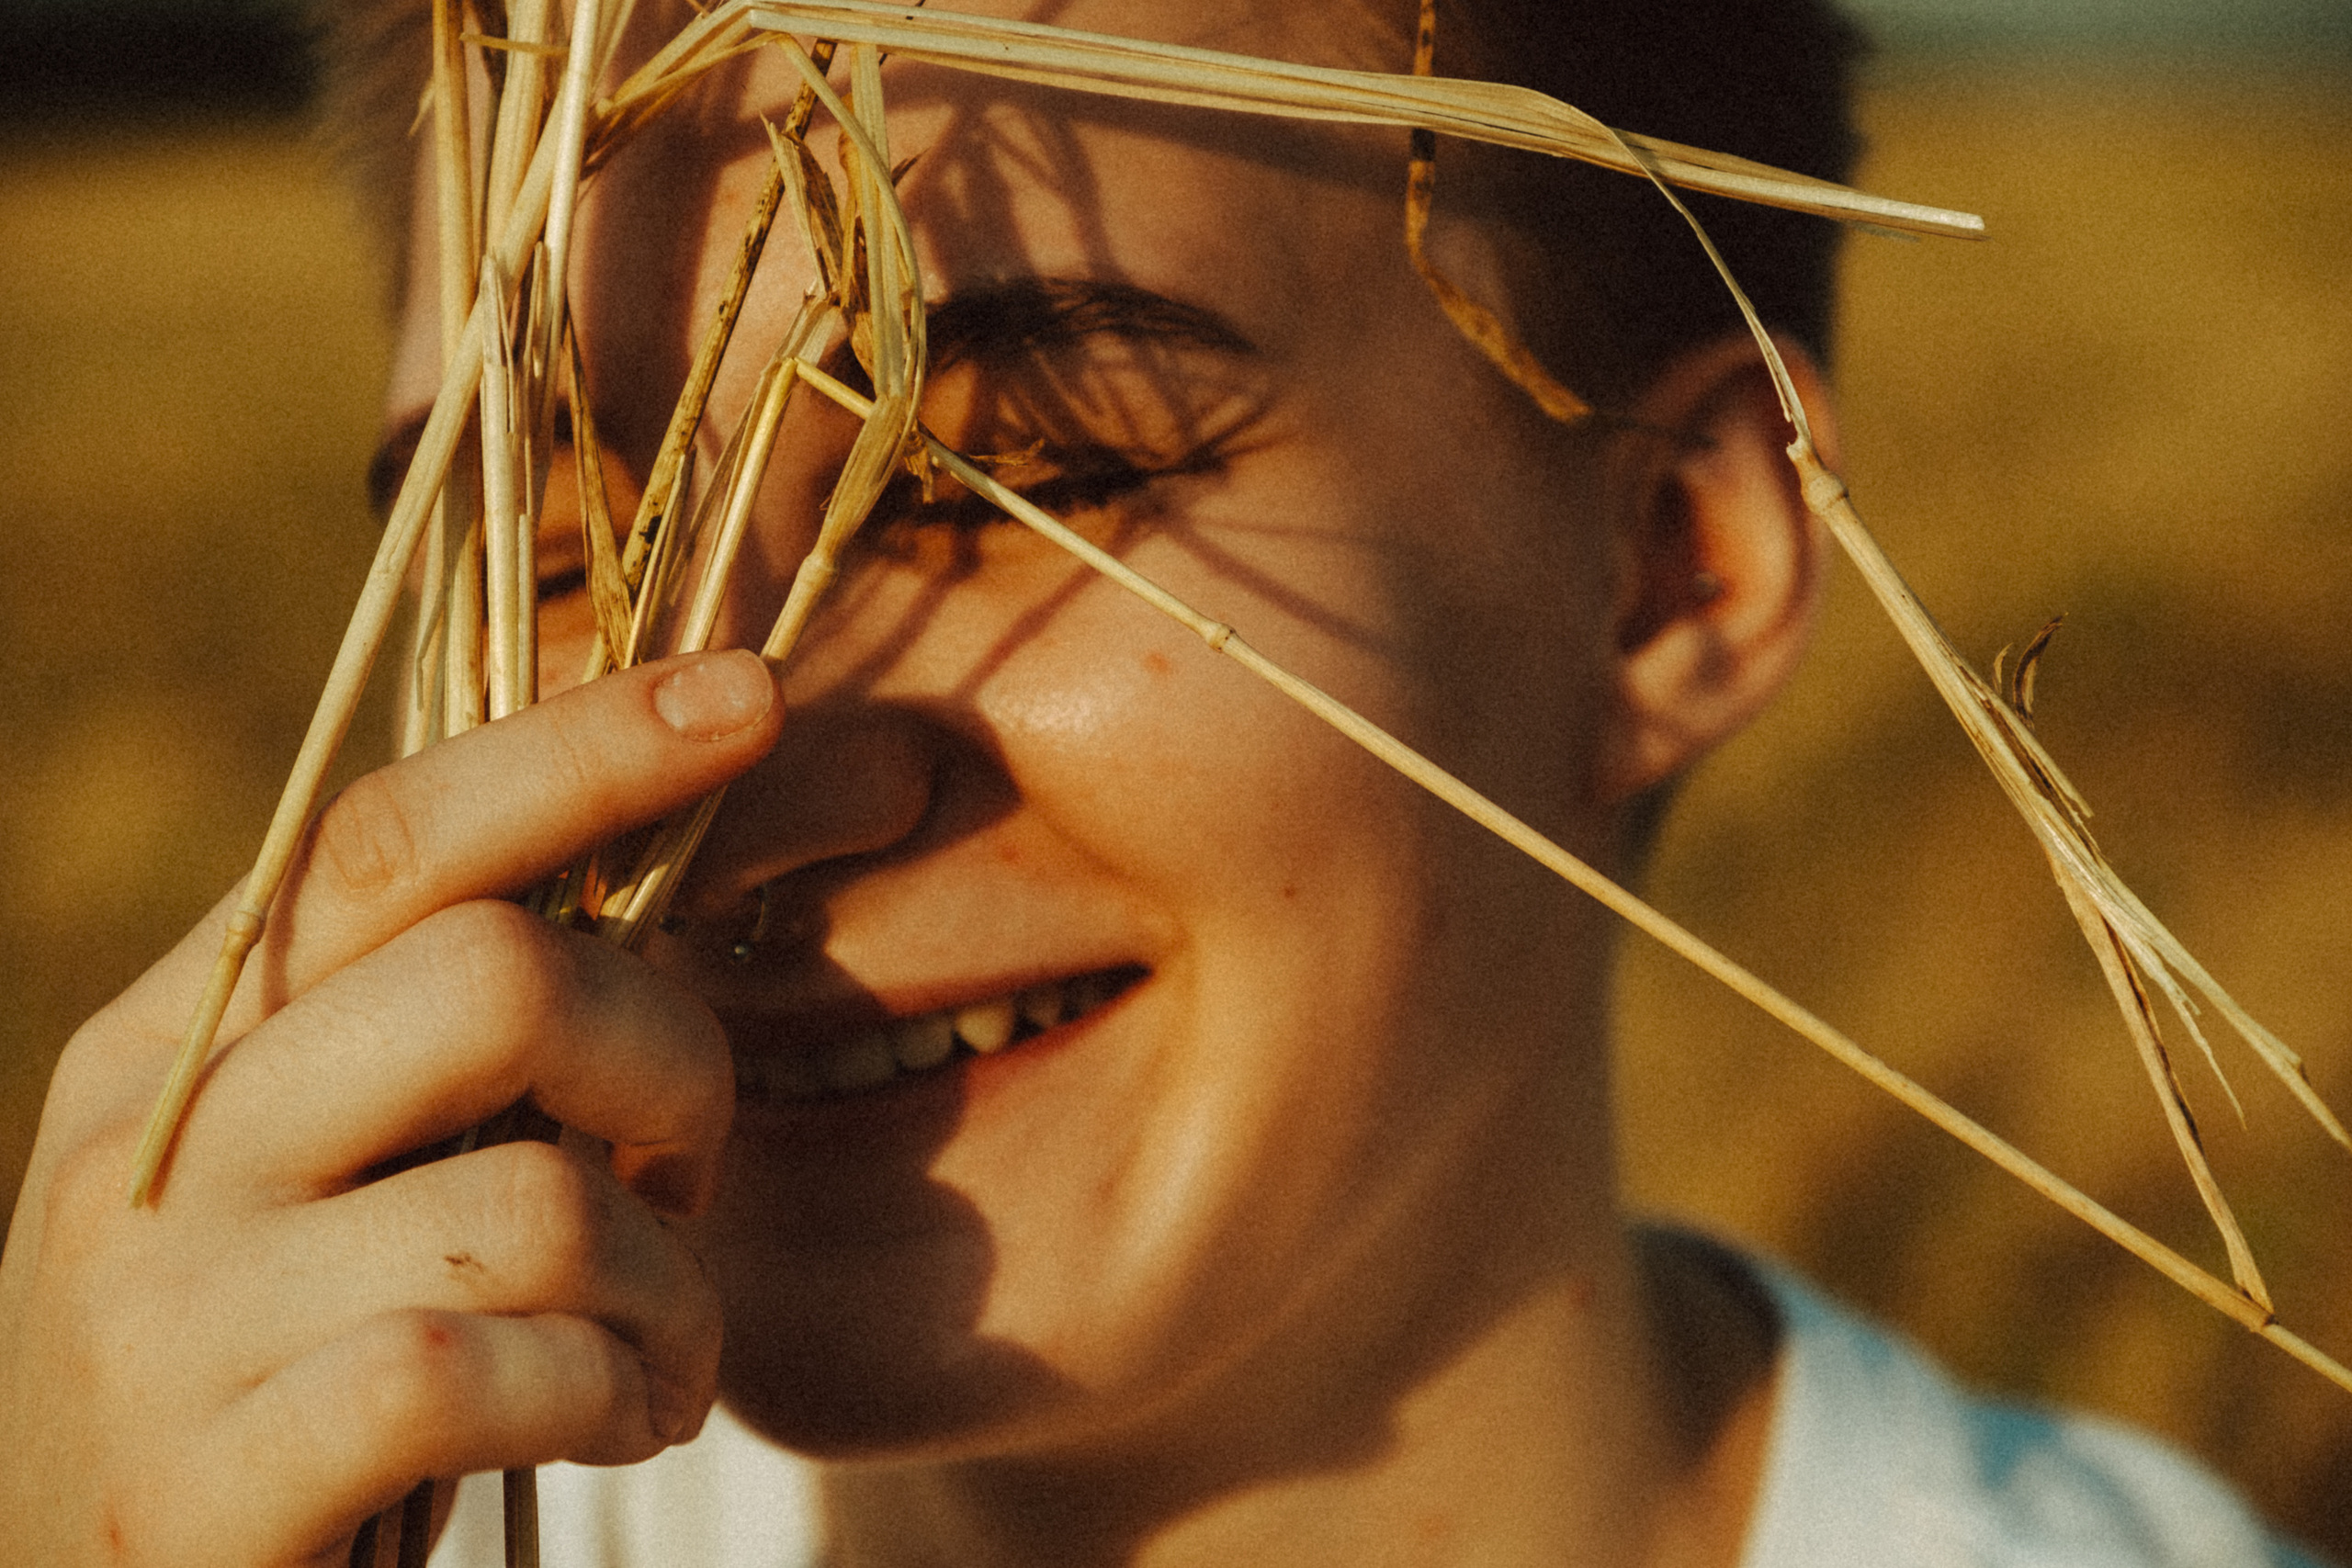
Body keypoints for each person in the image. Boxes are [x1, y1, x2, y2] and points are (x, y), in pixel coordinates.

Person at [0, 0, 2329, 1563]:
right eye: (551, 538)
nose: (732, 773)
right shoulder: (274, 1498)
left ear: (1669, 568)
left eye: (1009, 477)